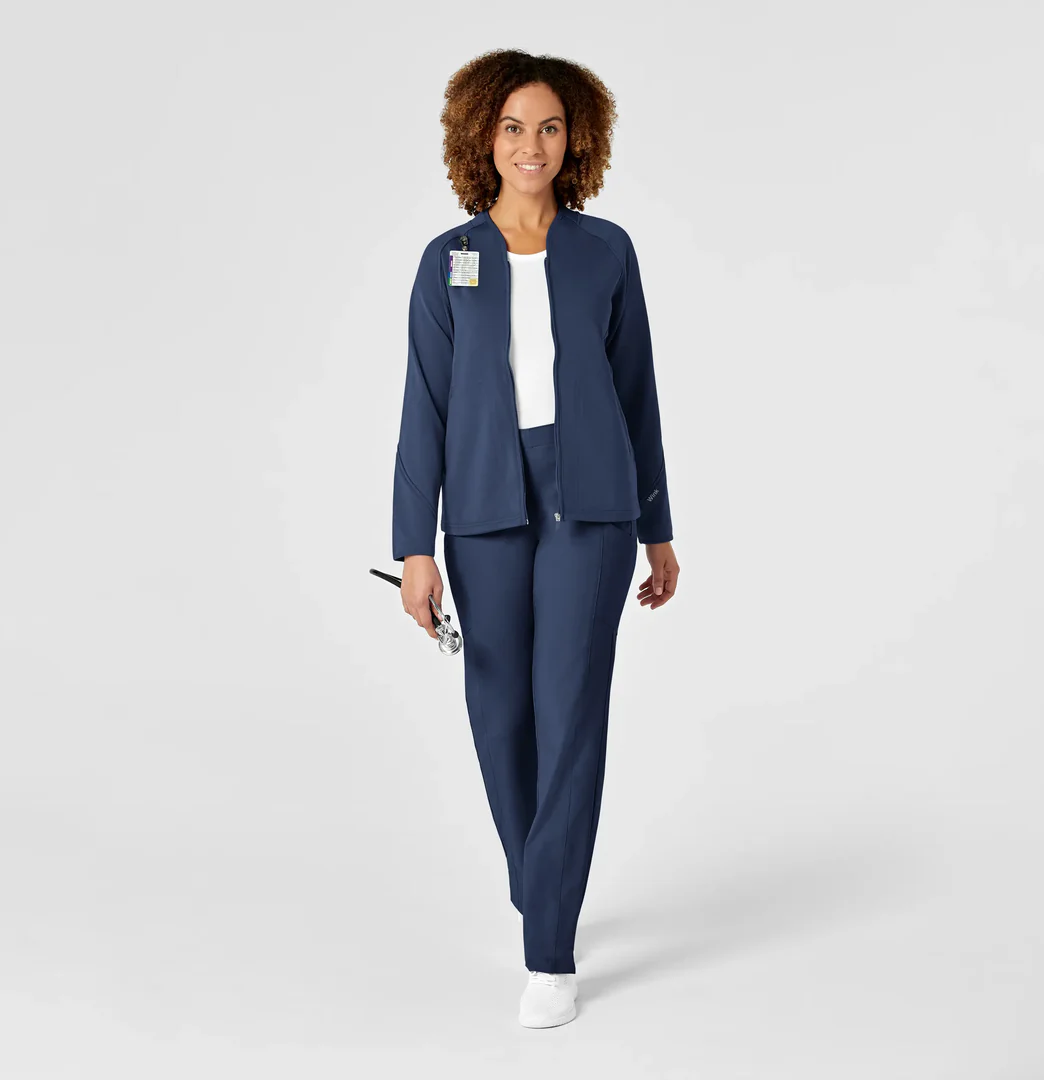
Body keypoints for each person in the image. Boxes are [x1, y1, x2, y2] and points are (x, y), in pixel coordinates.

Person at [391, 48, 680, 1027]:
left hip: (591, 507)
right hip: (483, 508)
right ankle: (540, 881)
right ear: (483, 136)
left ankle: (549, 951)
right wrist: (415, 545)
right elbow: (423, 408)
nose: (531, 144)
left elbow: (638, 395)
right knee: (499, 715)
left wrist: (658, 529)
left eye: (550, 127)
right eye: (513, 126)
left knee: (570, 714)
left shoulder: (607, 251)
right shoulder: (449, 260)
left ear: (575, 138)